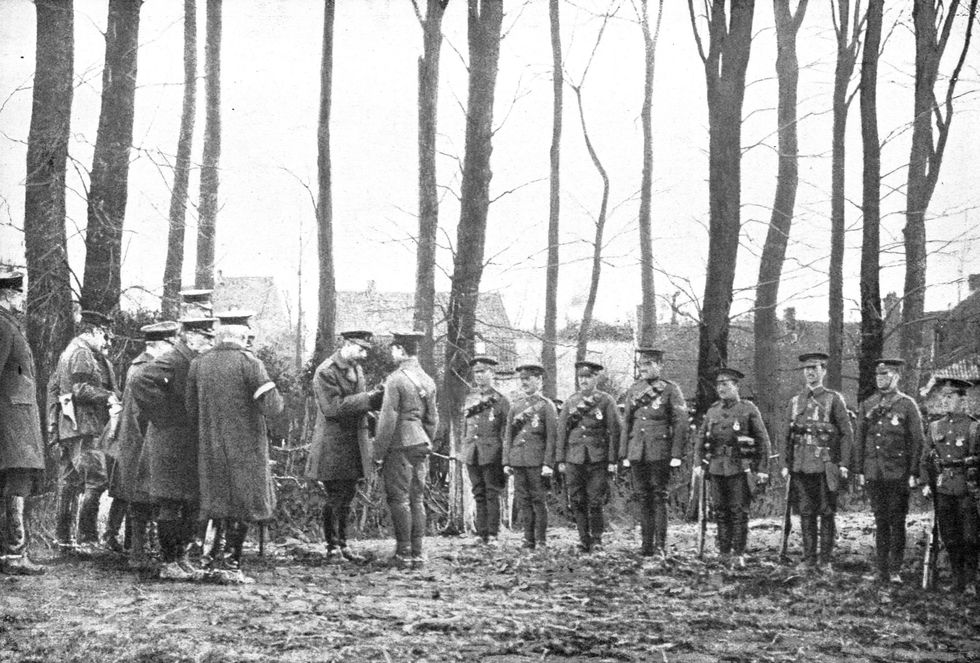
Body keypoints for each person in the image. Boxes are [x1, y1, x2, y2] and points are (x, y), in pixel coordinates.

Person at [186, 311, 283, 583]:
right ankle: (230, 566)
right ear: (243, 336)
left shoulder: (199, 364)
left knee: (215, 502)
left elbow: (190, 408)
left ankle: (207, 563)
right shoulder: (249, 363)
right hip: (244, 448)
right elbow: (273, 407)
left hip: (209, 447)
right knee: (243, 504)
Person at [132, 317, 215, 580]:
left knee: (189, 501)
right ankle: (169, 562)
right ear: (191, 337)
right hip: (168, 443)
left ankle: (181, 557)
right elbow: (139, 380)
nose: (209, 342)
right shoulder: (174, 357)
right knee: (169, 502)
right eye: (206, 337)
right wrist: (165, 413)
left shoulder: (192, 359)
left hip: (185, 444)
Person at [305, 330, 382, 562]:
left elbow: (360, 404)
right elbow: (333, 408)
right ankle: (331, 546)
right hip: (333, 443)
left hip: (353, 442)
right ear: (347, 344)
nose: (364, 355)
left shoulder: (355, 368)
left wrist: (373, 405)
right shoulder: (326, 371)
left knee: (348, 495)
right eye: (361, 349)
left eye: (366, 350)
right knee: (335, 496)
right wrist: (369, 398)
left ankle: (344, 544)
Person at [106, 321, 179, 563]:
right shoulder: (147, 367)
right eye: (172, 343)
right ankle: (136, 553)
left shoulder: (138, 365)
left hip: (136, 440)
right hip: (141, 441)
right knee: (141, 500)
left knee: (140, 499)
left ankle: (136, 550)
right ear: (162, 344)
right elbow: (141, 412)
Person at [51, 309, 120, 551]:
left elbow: (57, 388)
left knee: (69, 482)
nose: (105, 343)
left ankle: (63, 538)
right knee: (97, 481)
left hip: (70, 428)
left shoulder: (68, 351)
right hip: (85, 426)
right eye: (104, 337)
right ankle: (87, 538)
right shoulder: (82, 351)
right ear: (95, 331)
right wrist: (109, 395)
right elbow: (80, 389)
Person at [852, 358, 925, 585]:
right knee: (880, 521)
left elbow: (917, 441)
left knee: (897, 520)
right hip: (875, 474)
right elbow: (860, 440)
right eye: (878, 376)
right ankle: (881, 569)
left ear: (896, 377)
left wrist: (914, 472)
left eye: (886, 375)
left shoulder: (907, 405)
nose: (881, 379)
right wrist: (860, 470)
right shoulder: (868, 405)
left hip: (898, 474)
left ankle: (895, 569)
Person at [781, 352, 853, 572]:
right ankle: (809, 558)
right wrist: (785, 464)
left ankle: (826, 560)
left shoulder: (833, 399)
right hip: (801, 465)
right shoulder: (795, 402)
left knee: (827, 512)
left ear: (823, 371)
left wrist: (844, 463)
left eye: (815, 368)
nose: (810, 373)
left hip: (825, 464)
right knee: (805, 512)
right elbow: (785, 435)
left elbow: (846, 434)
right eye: (807, 369)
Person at [694, 368, 771, 568]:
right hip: (717, 467)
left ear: (736, 386)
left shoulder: (748, 409)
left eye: (726, 384)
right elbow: (701, 439)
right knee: (720, 510)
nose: (721, 388)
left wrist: (762, 469)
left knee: (738, 511)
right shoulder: (713, 411)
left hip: (739, 468)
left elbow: (763, 441)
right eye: (719, 384)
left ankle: (738, 552)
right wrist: (697, 463)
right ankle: (724, 552)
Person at [374, 330, 438, 568]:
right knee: (417, 498)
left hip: (400, 444)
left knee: (399, 498)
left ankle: (403, 551)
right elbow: (433, 419)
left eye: (393, 349)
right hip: (421, 443)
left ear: (400, 350)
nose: (392, 353)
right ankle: (418, 551)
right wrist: (425, 440)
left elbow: (388, 419)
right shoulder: (428, 380)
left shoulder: (396, 379)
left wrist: (378, 452)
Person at [620, 348, 689, 559]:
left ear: (660, 365)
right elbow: (627, 422)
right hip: (637, 451)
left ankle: (660, 545)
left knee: (659, 497)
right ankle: (646, 545)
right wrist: (624, 453)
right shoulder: (634, 389)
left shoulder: (670, 389)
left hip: (660, 450)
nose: (643, 368)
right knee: (642, 497)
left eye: (648, 364)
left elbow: (681, 423)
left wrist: (676, 453)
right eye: (641, 364)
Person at [0, 272, 46, 575]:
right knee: (15, 485)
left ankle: (11, 554)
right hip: (11, 421)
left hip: (15, 418)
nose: (21, 299)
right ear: (5, 295)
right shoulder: (3, 326)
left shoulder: (8, 324)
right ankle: (14, 555)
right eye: (17, 294)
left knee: (13, 485)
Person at [919, 377, 978, 593]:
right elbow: (925, 458)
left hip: (967, 488)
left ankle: (971, 581)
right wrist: (926, 482)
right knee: (950, 536)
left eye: (950, 397)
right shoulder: (935, 427)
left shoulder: (973, 427)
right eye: (943, 397)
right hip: (943, 487)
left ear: (963, 400)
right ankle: (957, 579)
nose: (945, 401)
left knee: (970, 536)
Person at [557, 360, 620, 553]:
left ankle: (597, 538)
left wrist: (612, 460)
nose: (584, 381)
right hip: (574, 457)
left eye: (588, 377)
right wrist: (560, 459)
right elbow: (561, 433)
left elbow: (615, 431)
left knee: (595, 500)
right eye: (581, 377)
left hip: (597, 458)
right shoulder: (570, 402)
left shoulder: (605, 400)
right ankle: (583, 539)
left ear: (596, 378)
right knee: (576, 499)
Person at [503, 363, 557, 551]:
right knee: (523, 500)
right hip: (518, 460)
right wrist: (507, 461)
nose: (524, 383)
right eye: (522, 379)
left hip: (537, 461)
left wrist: (548, 463)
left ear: (539, 380)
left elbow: (552, 437)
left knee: (538, 500)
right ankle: (528, 539)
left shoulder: (546, 406)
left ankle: (540, 539)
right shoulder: (515, 406)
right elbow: (508, 436)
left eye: (528, 379)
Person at [461, 356, 510, 546]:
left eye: (483, 372)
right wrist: (464, 450)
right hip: (472, 452)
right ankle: (480, 533)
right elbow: (466, 427)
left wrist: (505, 458)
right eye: (476, 373)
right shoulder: (470, 398)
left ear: (493, 374)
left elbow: (506, 432)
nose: (479, 376)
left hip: (492, 454)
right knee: (478, 492)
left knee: (491, 493)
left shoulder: (501, 401)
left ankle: (493, 534)